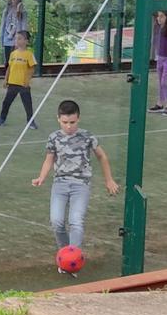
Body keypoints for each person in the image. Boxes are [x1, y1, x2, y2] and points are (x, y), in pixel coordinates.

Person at [32, 98, 120, 262]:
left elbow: (102, 156)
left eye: (72, 122)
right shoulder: (54, 138)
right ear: (58, 119)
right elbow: (49, 159)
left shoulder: (87, 136)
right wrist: (41, 177)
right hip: (60, 184)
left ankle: (74, 258)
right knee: (56, 221)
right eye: (65, 122)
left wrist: (109, 180)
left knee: (76, 221)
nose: (69, 126)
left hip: (81, 185)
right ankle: (65, 255)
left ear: (78, 118)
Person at [0, 28, 38, 128]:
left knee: (27, 104)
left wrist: (27, 80)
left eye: (20, 38)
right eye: (16, 39)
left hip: (23, 85)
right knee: (6, 102)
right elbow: (9, 68)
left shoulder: (29, 54)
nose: (17, 41)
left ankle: (31, 122)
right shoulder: (13, 54)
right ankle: (1, 119)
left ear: (26, 41)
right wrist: (5, 79)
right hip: (12, 83)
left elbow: (32, 68)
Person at [150, 10, 167, 115]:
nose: (159, 18)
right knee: (160, 82)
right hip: (160, 58)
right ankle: (159, 104)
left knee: (164, 82)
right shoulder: (157, 28)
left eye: (162, 16)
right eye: (158, 16)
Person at [0, 0, 26, 69]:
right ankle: (7, 79)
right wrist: (1, 39)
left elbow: (23, 25)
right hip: (7, 38)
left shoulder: (23, 11)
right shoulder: (7, 10)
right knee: (7, 62)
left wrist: (23, 41)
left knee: (16, 62)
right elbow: (3, 25)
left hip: (17, 40)